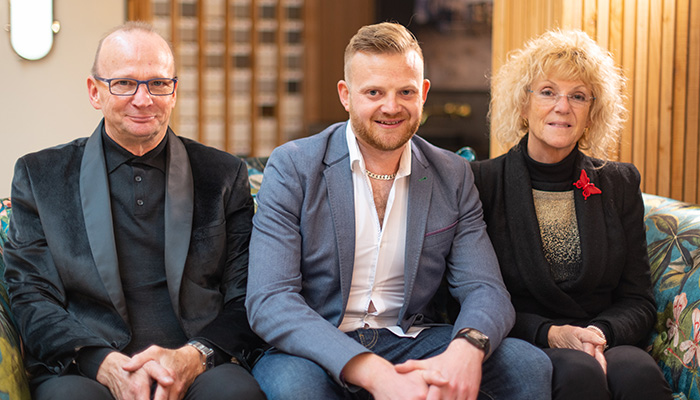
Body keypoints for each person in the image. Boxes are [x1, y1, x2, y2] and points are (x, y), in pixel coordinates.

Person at [246, 22, 551, 400]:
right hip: (317, 347)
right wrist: (371, 370)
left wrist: (467, 347)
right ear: (345, 95)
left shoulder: (452, 175)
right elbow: (270, 300)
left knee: (527, 366)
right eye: (373, 91)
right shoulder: (293, 166)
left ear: (422, 93)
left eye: (405, 91)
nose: (391, 107)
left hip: (409, 339)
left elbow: (484, 287)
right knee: (297, 389)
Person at [3, 22, 265, 400]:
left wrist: (195, 356)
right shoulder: (40, 176)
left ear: (174, 91)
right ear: (95, 91)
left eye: (158, 83)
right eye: (124, 83)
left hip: (197, 363)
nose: (143, 99)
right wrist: (104, 364)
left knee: (236, 395)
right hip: (85, 365)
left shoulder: (222, 174)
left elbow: (246, 294)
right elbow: (32, 296)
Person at [470, 29, 672, 399]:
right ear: (523, 104)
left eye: (578, 96)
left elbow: (638, 299)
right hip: (528, 337)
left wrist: (599, 334)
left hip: (605, 334)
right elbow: (473, 296)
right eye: (548, 92)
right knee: (578, 374)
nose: (563, 106)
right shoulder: (482, 182)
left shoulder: (618, 182)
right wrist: (552, 333)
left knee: (638, 376)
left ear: (592, 113)